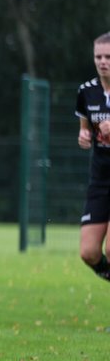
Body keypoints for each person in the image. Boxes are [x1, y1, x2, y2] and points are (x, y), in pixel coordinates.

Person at [75, 32, 110, 282]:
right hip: (100, 180)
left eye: (108, 56)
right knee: (89, 252)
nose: (103, 61)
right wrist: (84, 137)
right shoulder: (86, 91)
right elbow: (84, 129)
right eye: (98, 56)